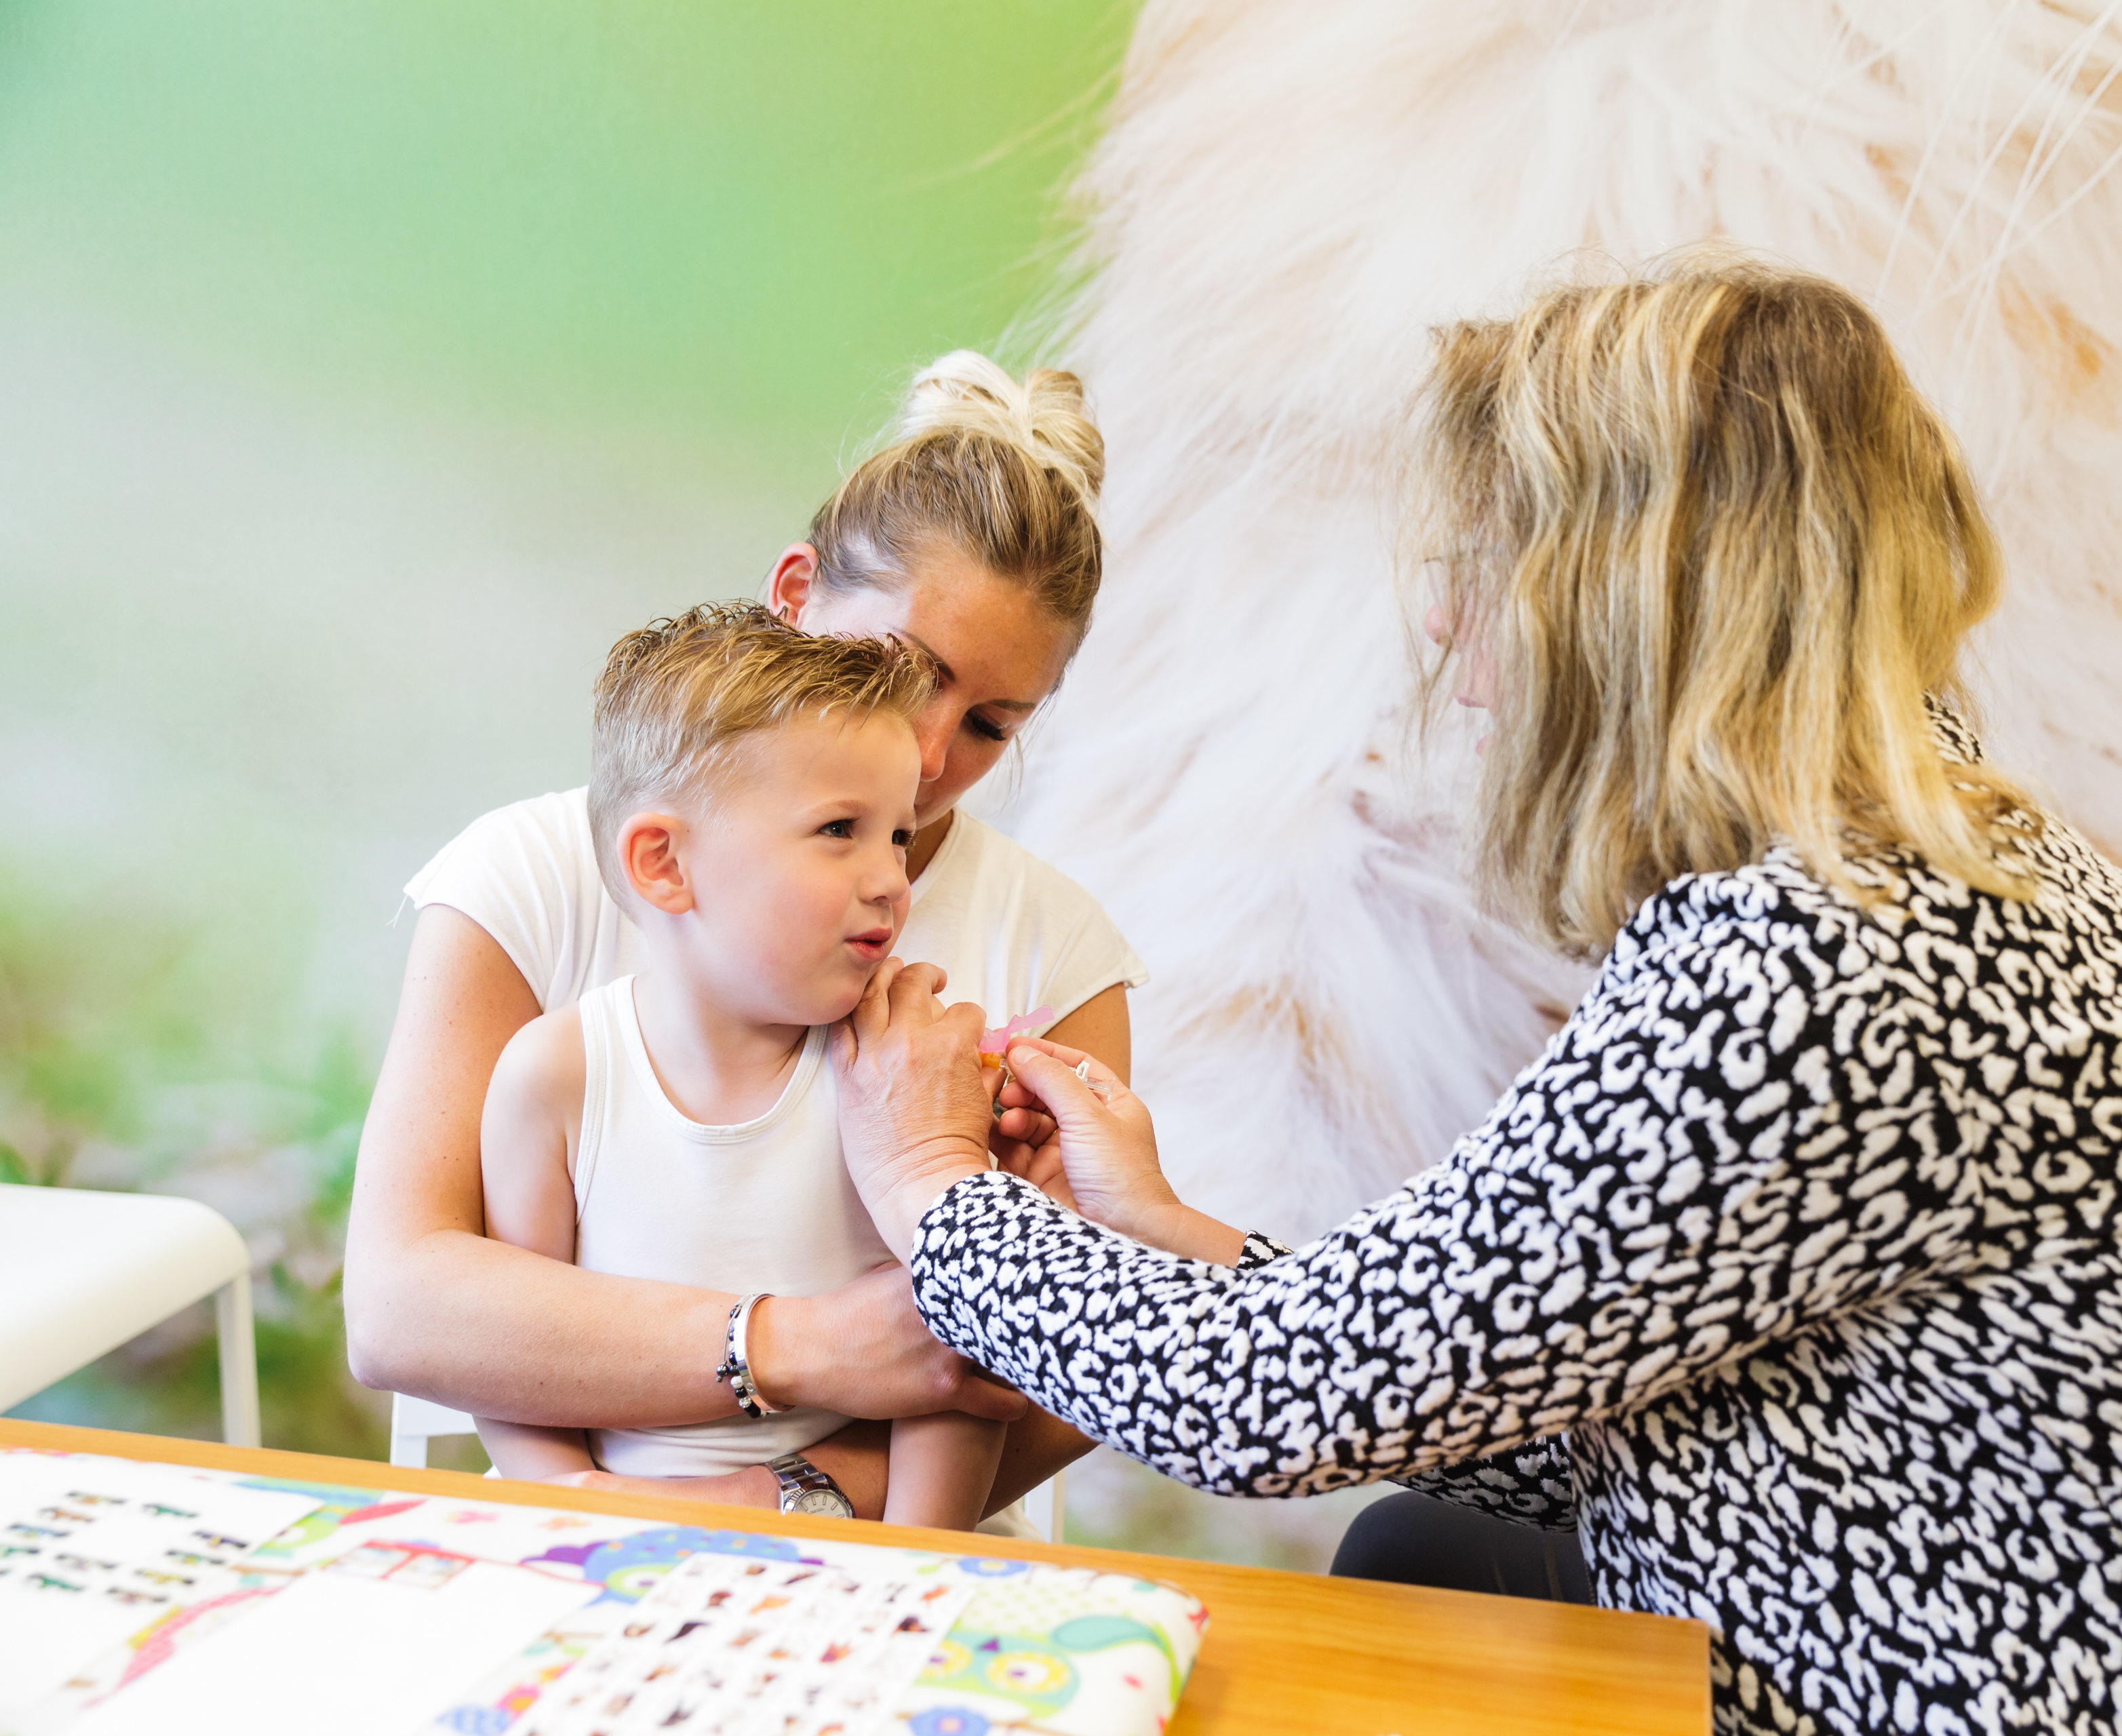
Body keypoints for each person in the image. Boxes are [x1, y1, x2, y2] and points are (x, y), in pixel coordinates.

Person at [827, 257, 2121, 1735]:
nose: (1447, 628)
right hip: (1856, 1601)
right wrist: (1168, 1227)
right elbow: (1538, 1373)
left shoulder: (1805, 966)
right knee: (1419, 1549)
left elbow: (1276, 1405)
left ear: (1618, 590)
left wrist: (931, 1182)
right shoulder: (1934, 866)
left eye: (1486, 561)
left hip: (1893, 1687)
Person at [345, 352, 1142, 1527]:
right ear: (794, 593)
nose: (928, 755)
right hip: (577, 1533)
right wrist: (802, 1348)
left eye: (987, 722)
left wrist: (780, 1501)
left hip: (898, 1571)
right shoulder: (527, 877)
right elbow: (402, 1307)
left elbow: (1091, 1360)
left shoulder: (1057, 953)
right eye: (900, 669)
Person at [475, 605, 1004, 1529]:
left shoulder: (903, 1070)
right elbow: (510, 1354)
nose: (891, 879)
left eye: (899, 836)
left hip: (872, 1553)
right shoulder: (555, 1074)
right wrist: (568, 1502)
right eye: (841, 829)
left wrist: (907, 1566)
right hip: (595, 1536)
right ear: (664, 865)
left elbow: (952, 1368)